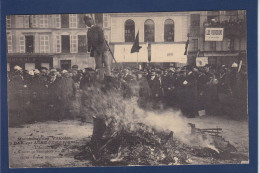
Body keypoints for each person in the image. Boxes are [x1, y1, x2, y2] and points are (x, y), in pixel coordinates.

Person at [84, 16, 112, 80]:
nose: (86, 24)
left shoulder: (98, 28)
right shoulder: (89, 31)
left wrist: (97, 47)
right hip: (96, 50)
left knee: (106, 63)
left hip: (102, 49)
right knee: (99, 65)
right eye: (85, 22)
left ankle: (109, 77)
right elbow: (89, 41)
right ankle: (101, 78)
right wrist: (89, 49)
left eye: (87, 22)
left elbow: (101, 39)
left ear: (90, 20)